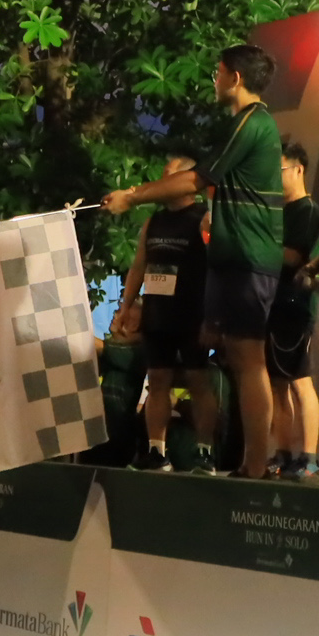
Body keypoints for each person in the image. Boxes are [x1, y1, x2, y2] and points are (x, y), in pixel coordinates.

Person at [106, 45, 290, 480]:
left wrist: (132, 195)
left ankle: (257, 465)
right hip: (236, 260)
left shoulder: (252, 121)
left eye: (218, 72)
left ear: (235, 78)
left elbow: (196, 179)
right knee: (240, 360)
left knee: (249, 360)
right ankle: (250, 463)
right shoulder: (247, 123)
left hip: (249, 257)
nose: (214, 79)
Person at [107, 154, 214, 471]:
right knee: (157, 381)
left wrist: (213, 315)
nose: (161, 183)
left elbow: (217, 266)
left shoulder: (204, 218)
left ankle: (205, 453)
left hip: (192, 313)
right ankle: (156, 451)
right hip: (157, 314)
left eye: (169, 177)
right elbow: (139, 266)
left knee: (198, 381)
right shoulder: (153, 222)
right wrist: (126, 306)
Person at [267, 143, 319, 476]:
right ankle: (283, 453)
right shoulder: (277, 212)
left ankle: (309, 457)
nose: (275, 178)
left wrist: (259, 248)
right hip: (272, 304)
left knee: (301, 381)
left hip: (297, 305)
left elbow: (293, 257)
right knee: (278, 385)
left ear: (299, 169)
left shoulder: (308, 210)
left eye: (280, 171)